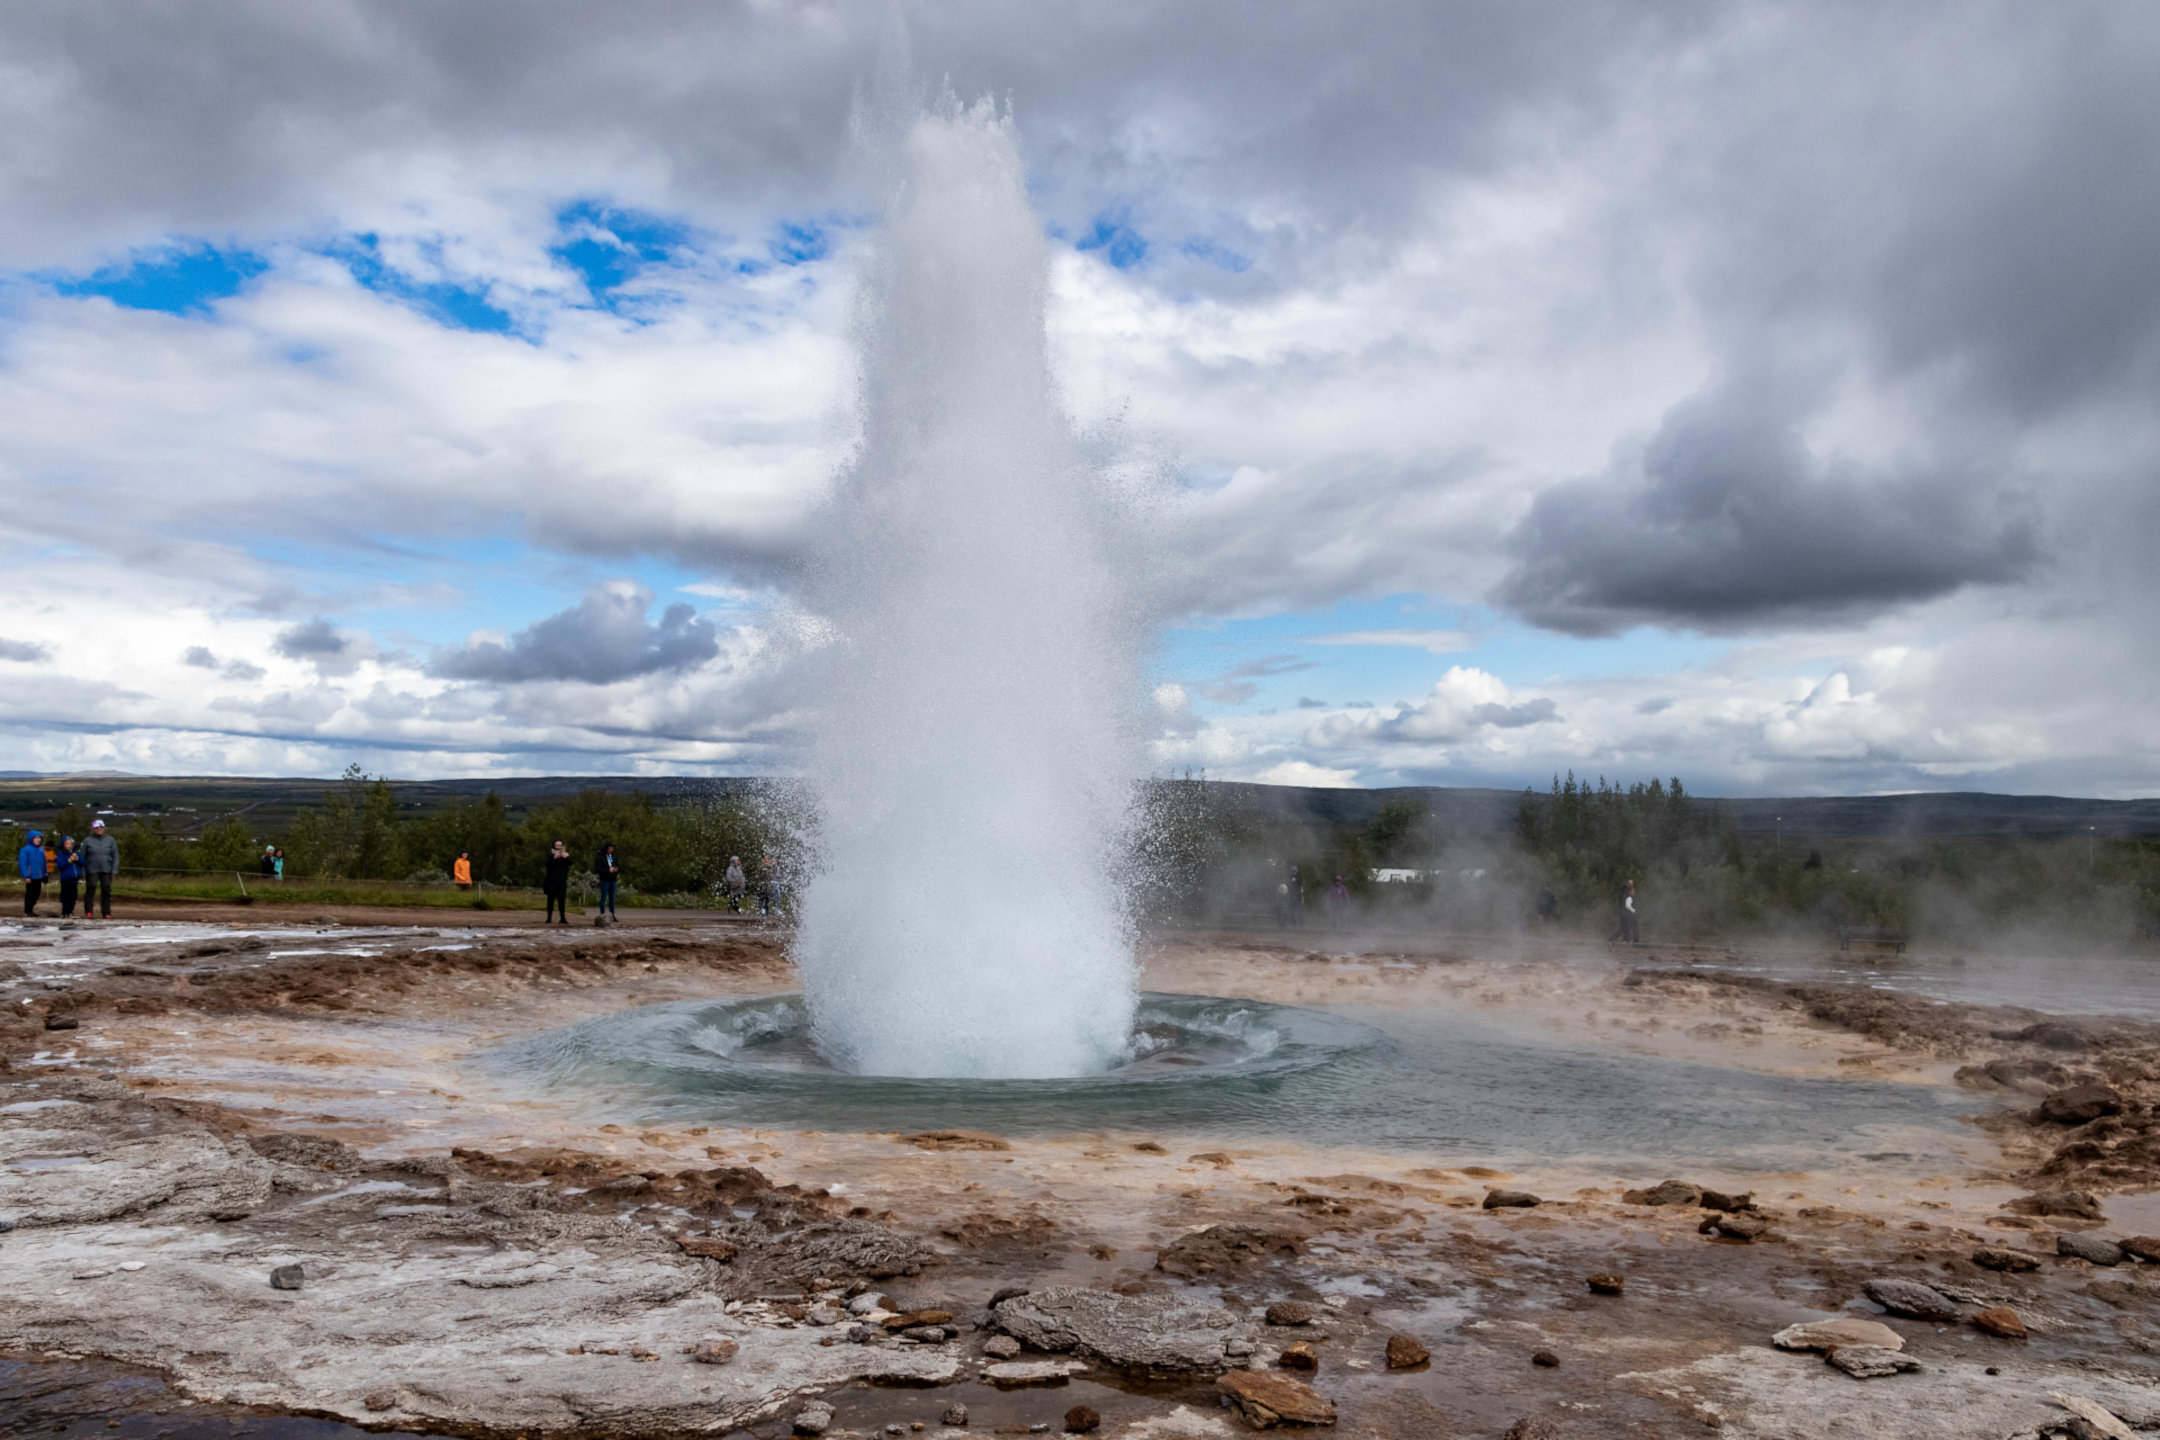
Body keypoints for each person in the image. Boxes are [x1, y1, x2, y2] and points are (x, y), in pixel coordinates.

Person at [80, 818, 118, 918]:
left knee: (106, 890)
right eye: (97, 828)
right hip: (92, 869)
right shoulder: (87, 840)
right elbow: (82, 857)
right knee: (90, 888)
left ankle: (106, 912)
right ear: (93, 829)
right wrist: (82, 871)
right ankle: (89, 911)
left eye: (101, 827)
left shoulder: (111, 840)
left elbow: (115, 856)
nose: (99, 829)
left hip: (106, 869)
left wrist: (114, 869)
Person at [18, 828, 48, 916]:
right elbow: (23, 864)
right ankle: (28, 911)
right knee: (30, 894)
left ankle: (30, 909)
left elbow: (43, 864)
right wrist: (26, 876)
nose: (38, 839)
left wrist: (45, 874)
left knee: (36, 894)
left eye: (39, 838)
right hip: (30, 877)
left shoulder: (41, 851)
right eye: (36, 837)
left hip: (39, 876)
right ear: (31, 839)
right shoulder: (25, 850)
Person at [542, 840, 572, 925]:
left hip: (561, 882)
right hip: (551, 882)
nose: (558, 846)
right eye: (557, 845)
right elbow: (547, 864)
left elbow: (570, 863)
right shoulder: (550, 854)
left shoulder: (565, 855)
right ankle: (549, 918)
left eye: (560, 845)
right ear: (554, 845)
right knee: (550, 900)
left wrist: (565, 856)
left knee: (561, 901)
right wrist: (554, 857)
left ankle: (562, 918)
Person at [57, 836, 83, 918]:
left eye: (71, 843)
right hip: (66, 878)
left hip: (75, 878)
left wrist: (77, 859)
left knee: (73, 896)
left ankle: (71, 911)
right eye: (67, 844)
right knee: (66, 896)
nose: (69, 845)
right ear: (63, 845)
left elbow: (83, 863)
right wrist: (70, 860)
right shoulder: (61, 854)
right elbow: (60, 866)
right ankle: (65, 912)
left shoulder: (77, 853)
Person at [594, 841, 620, 923]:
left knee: (612, 898)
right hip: (604, 880)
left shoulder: (613, 856)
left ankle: (612, 915)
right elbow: (597, 869)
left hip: (613, 879)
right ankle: (602, 914)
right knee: (604, 898)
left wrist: (616, 869)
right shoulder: (600, 857)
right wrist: (607, 870)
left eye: (612, 849)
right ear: (606, 848)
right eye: (609, 848)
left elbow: (617, 865)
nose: (611, 850)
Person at [1613, 878, 1640, 944]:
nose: (1631, 885)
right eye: (1630, 884)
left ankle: (1618, 938)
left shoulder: (1624, 892)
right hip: (1625, 912)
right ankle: (1627, 939)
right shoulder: (1626, 893)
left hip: (1624, 912)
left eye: (1632, 884)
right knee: (1627, 926)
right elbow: (1627, 905)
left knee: (1624, 926)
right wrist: (1633, 911)